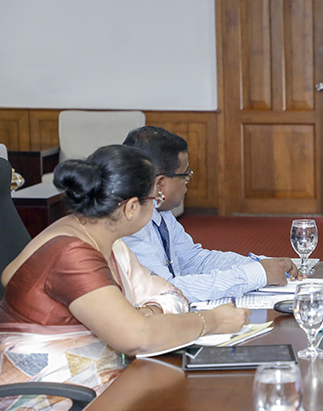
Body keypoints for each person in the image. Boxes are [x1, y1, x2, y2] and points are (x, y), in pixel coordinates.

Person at [0, 145, 248, 411]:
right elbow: (138, 337)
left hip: (97, 393)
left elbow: (171, 295)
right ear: (131, 208)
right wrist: (212, 321)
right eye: (154, 200)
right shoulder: (71, 254)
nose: (157, 206)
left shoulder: (100, 238)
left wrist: (146, 314)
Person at [122, 126, 299, 302]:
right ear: (160, 184)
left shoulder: (161, 212)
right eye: (185, 175)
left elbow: (195, 261)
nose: (187, 182)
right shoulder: (131, 225)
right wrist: (255, 274)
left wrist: (259, 265)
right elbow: (166, 290)